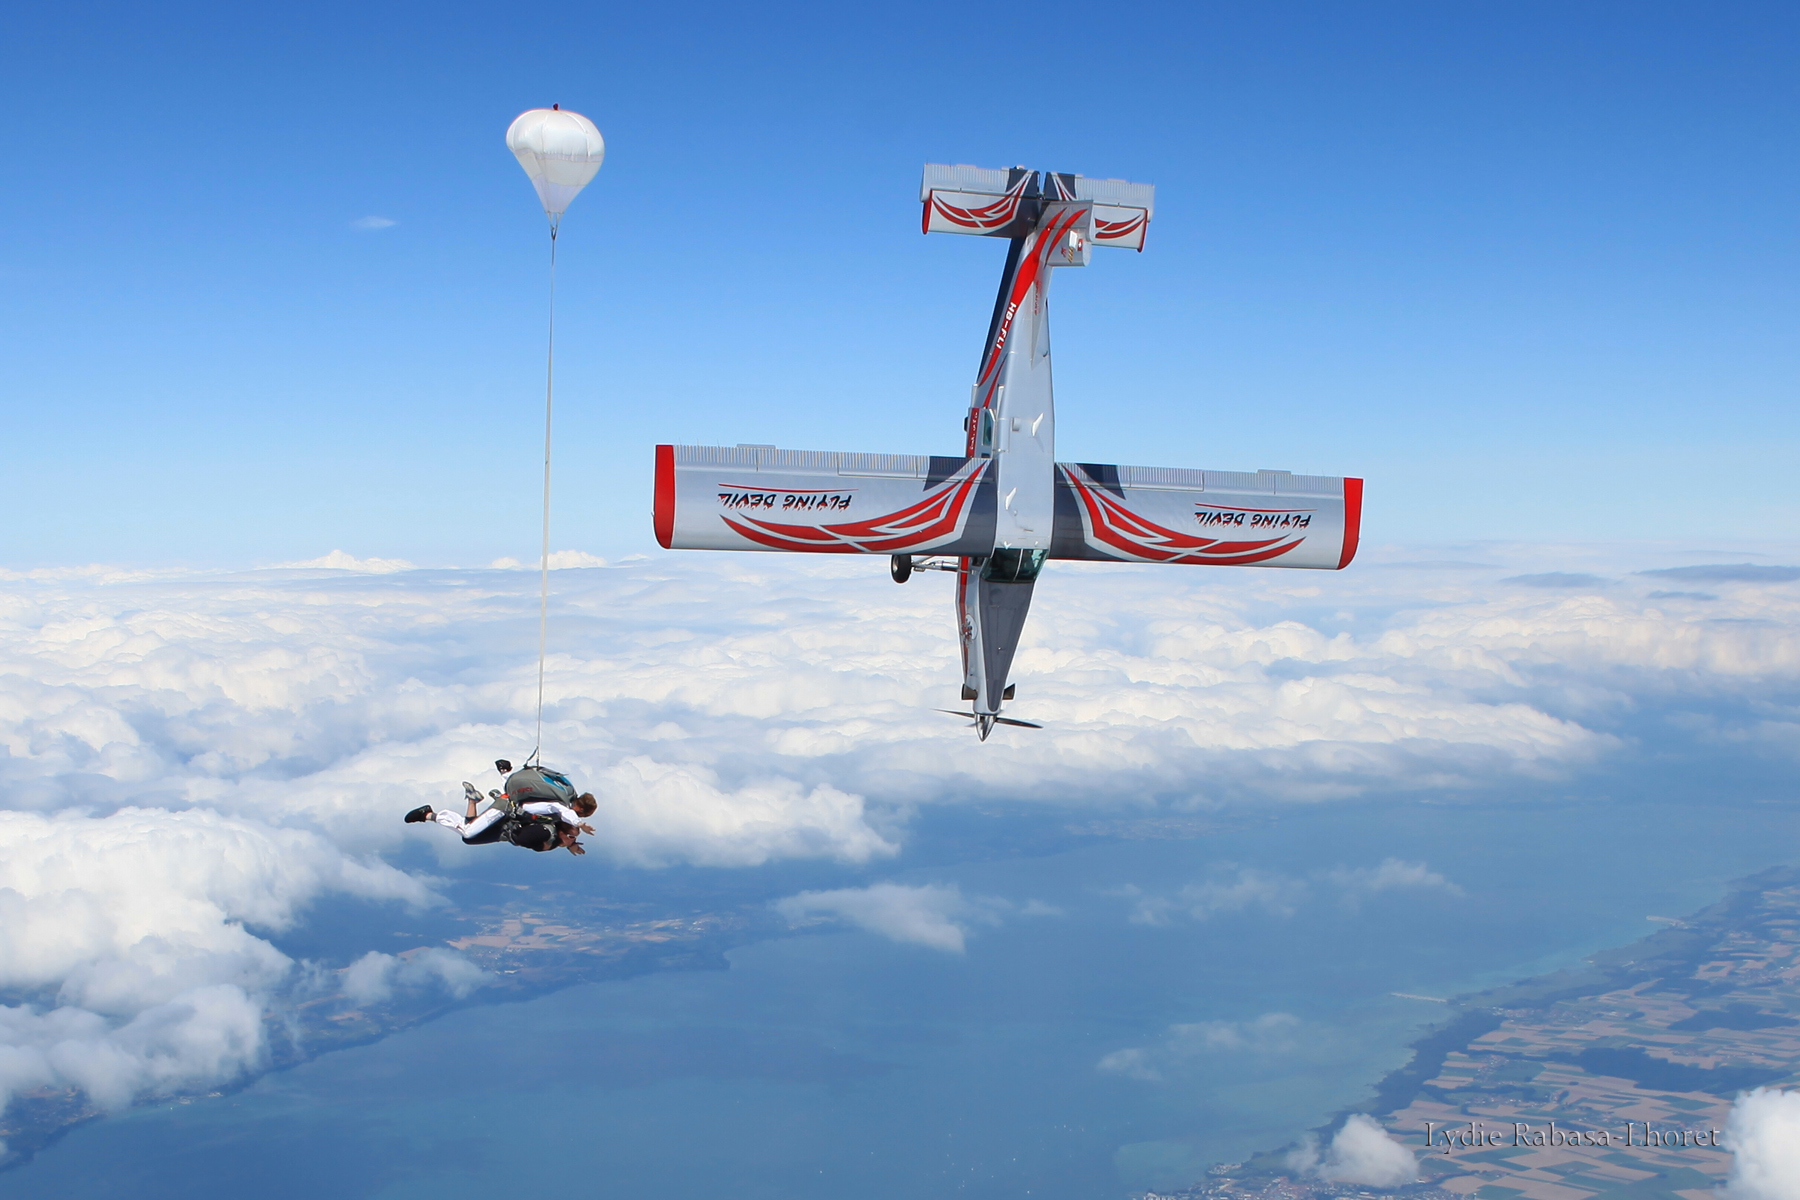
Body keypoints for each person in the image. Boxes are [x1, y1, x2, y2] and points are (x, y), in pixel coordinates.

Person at [405, 779, 597, 855]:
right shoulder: (559, 810)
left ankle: (472, 800)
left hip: (508, 818)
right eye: (582, 813)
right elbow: (525, 838)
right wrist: (579, 824)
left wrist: (569, 844)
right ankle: (429, 815)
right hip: (504, 809)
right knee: (469, 832)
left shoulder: (557, 814)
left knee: (469, 838)